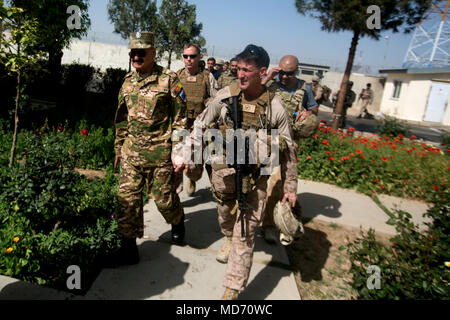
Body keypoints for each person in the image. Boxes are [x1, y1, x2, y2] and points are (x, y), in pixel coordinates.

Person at [174, 44, 299, 300]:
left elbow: (288, 150)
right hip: (225, 178)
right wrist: (185, 153)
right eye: (239, 69)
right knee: (225, 217)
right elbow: (200, 125)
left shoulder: (274, 105)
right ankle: (228, 236)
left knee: (246, 233)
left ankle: (232, 289)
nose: (240, 75)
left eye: (247, 71)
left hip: (255, 181)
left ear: (262, 72)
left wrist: (290, 189)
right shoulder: (225, 95)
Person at [106, 32, 188, 267]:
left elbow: (180, 119)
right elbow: (121, 118)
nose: (136, 56)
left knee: (163, 200)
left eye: (142, 52)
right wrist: (118, 149)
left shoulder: (169, 79)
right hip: (131, 154)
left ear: (153, 53)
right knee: (127, 200)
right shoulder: (127, 81)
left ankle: (177, 220)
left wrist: (179, 151)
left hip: (159, 154)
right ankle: (129, 251)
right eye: (133, 52)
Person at [260, 55, 319, 243]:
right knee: (267, 185)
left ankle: (285, 221)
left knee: (284, 184)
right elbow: (252, 93)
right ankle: (269, 225)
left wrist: (308, 112)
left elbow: (314, 108)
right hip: (270, 140)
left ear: (297, 71)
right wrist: (269, 77)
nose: (284, 77)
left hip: (289, 141)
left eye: (289, 74)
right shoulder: (271, 85)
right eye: (282, 73)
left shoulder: (305, 89)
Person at [176, 43, 218, 196]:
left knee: (201, 159)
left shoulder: (208, 77)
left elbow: (216, 101)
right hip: (181, 124)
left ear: (199, 57)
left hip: (201, 125)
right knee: (177, 157)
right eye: (185, 56)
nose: (188, 59)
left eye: (192, 56)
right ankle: (175, 193)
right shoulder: (177, 76)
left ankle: (195, 179)